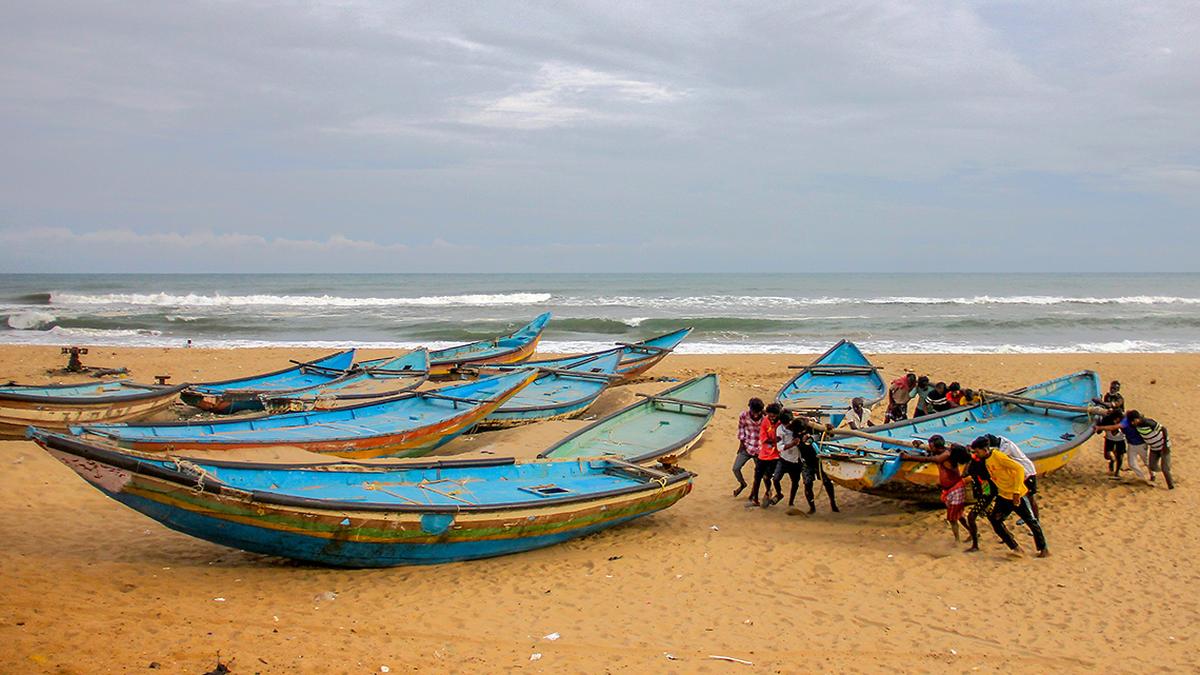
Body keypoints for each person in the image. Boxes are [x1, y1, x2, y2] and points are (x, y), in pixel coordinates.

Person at [971, 436, 1049, 557]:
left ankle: (1043, 549)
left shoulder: (999, 456)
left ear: (985, 449)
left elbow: (1019, 469)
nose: (976, 454)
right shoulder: (985, 460)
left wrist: (1017, 492)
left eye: (977, 451)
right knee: (995, 520)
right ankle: (1016, 548)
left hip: (1016, 494)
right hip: (1003, 495)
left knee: (1030, 521)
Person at [899, 435, 970, 542]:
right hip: (949, 489)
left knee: (952, 518)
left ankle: (957, 541)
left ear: (937, 447)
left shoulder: (946, 454)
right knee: (958, 515)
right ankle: (972, 532)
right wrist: (919, 445)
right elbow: (930, 453)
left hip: (955, 488)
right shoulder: (940, 451)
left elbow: (932, 459)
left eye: (931, 446)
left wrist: (909, 457)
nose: (930, 448)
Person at [985, 433, 1040, 519]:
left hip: (1028, 472)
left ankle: (1036, 519)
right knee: (1021, 497)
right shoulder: (1001, 440)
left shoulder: (1006, 448)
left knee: (1030, 498)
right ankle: (1026, 515)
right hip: (1021, 473)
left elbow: (995, 457)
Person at [795, 418, 839, 514]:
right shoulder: (794, 432)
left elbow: (830, 434)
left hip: (818, 459)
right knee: (808, 484)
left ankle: (833, 502)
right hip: (805, 461)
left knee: (827, 482)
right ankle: (812, 507)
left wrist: (828, 428)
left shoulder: (814, 428)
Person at [1126, 410, 1174, 489]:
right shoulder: (1136, 425)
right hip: (1154, 448)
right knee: (1152, 466)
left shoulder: (1148, 422)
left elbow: (1164, 429)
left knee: (1165, 469)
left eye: (1133, 421)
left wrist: (1165, 445)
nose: (1132, 423)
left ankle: (1171, 485)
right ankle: (1166, 470)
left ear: (1137, 419)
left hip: (1163, 446)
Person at [963, 448, 996, 553]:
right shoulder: (975, 461)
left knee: (971, 517)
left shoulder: (980, 464)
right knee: (991, 516)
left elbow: (969, 474)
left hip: (986, 492)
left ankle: (975, 544)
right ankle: (1007, 535)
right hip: (982, 491)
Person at [748, 403, 781, 506]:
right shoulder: (765, 421)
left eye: (774, 416)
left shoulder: (781, 423)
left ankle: (769, 492)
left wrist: (773, 441)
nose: (771, 418)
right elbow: (764, 439)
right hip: (763, 454)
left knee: (767, 477)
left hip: (776, 455)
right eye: (770, 416)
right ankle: (755, 499)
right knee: (757, 478)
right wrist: (774, 440)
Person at [732, 398, 765, 497]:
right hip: (747, 447)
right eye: (754, 412)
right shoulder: (743, 415)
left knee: (759, 474)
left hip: (760, 449)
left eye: (758, 412)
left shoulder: (765, 418)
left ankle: (754, 494)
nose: (755, 415)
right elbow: (741, 429)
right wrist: (741, 445)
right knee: (736, 468)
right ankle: (742, 484)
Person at [772, 410, 804, 508]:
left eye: (790, 422)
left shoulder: (798, 425)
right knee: (776, 479)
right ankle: (779, 493)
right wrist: (792, 444)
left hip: (796, 460)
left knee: (795, 482)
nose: (788, 425)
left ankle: (791, 502)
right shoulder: (780, 430)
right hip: (784, 458)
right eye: (786, 423)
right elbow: (779, 447)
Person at [1096, 409, 1126, 476]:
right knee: (1107, 455)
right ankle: (1112, 460)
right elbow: (1099, 430)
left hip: (1120, 440)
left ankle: (1117, 472)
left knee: (1119, 456)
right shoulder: (1106, 419)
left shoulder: (1124, 420)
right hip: (1109, 439)